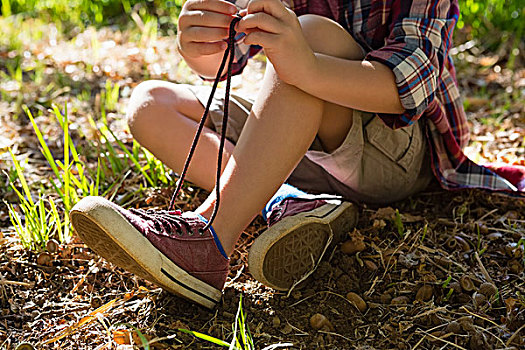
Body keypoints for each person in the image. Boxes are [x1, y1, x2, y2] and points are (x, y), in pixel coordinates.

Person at [70, 0, 525, 309]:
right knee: (152, 104)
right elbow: (229, 60)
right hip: (297, 141)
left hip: (389, 153)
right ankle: (284, 198)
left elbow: (409, 86)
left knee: (312, 34)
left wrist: (306, 65)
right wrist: (201, 43)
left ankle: (211, 235)